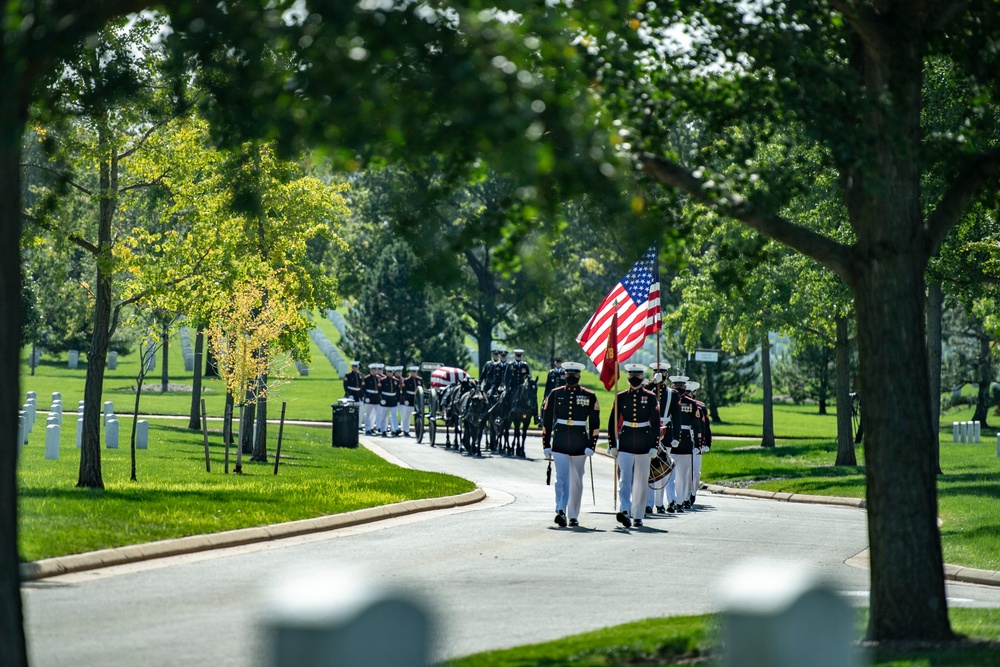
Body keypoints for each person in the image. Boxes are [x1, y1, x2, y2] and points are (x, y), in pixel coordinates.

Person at [540, 361, 599, 528]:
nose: (571, 376)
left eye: (574, 374)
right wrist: (546, 443)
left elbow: (595, 423)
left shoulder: (589, 395)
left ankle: (573, 515)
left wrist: (591, 445)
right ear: (565, 375)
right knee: (561, 479)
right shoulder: (555, 394)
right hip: (559, 442)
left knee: (577, 481)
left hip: (580, 444)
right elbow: (547, 421)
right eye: (568, 374)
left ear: (579, 375)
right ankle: (560, 510)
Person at [607, 364, 661, 528]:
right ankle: (624, 510)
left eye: (638, 375)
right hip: (626, 441)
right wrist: (612, 444)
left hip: (644, 442)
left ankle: (638, 514)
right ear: (628, 377)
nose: (635, 378)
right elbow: (612, 422)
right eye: (632, 375)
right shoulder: (621, 396)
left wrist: (654, 445)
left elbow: (655, 424)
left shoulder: (651, 397)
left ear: (643, 377)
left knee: (641, 481)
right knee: (625, 480)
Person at [668, 375, 700, 510]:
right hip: (672, 440)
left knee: (684, 474)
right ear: (672, 387)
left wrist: (698, 444)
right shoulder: (669, 401)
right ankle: (672, 501)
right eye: (676, 386)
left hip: (686, 441)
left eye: (681, 386)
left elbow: (697, 425)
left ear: (685, 387)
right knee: (671, 474)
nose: (679, 389)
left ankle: (681, 500)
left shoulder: (691, 404)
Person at [645, 362, 672, 515]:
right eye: (657, 371)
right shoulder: (648, 390)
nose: (660, 374)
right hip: (649, 431)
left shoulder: (671, 393)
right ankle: (648, 504)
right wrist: (653, 383)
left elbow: (676, 416)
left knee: (661, 470)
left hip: (664, 432)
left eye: (662, 372)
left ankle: (659, 503)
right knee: (649, 471)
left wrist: (675, 436)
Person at [687, 380, 711, 507]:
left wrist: (707, 442)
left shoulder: (700, 406)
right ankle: (684, 496)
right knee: (684, 471)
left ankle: (692, 493)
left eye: (690, 392)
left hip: (697, 442)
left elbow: (705, 427)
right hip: (684, 441)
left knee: (695, 473)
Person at [400, 365, 423, 437]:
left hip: (417, 399)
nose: (414, 373)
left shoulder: (420, 380)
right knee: (407, 416)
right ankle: (405, 430)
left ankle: (419, 429)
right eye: (413, 372)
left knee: (418, 416)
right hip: (409, 399)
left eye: (415, 372)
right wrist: (405, 399)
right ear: (410, 372)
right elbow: (404, 391)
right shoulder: (406, 380)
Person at [377, 366, 400, 436]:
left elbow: (398, 391)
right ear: (386, 372)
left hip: (393, 400)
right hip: (385, 400)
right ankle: (383, 430)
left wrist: (397, 400)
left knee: (394, 416)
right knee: (384, 416)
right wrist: (381, 399)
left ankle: (396, 429)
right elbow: (379, 391)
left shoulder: (396, 380)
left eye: (391, 372)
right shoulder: (382, 380)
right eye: (389, 372)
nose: (390, 373)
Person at [343, 360, 364, 430]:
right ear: (352, 367)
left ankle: (359, 425)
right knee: (350, 410)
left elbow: (361, 385)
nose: (355, 368)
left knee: (361, 410)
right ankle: (350, 424)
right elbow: (345, 385)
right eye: (354, 367)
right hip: (351, 393)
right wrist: (348, 393)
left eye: (356, 367)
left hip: (358, 394)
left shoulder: (360, 374)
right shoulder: (348, 375)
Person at [362, 363, 382, 435]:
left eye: (375, 370)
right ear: (370, 370)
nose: (374, 371)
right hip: (369, 397)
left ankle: (376, 427)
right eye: (373, 370)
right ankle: (367, 428)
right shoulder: (367, 378)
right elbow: (363, 389)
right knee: (368, 414)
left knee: (378, 413)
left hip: (376, 398)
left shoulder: (378, 378)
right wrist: (365, 397)